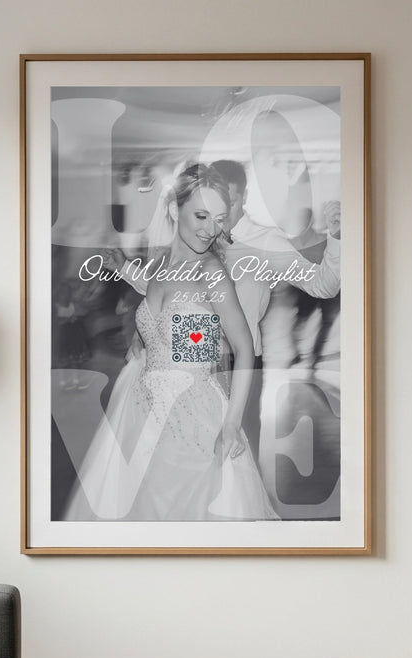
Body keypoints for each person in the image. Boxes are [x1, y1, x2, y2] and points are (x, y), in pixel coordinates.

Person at [64, 163, 277, 521]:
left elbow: (243, 348)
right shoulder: (164, 262)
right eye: (201, 215)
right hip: (142, 412)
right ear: (175, 209)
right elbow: (165, 301)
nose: (211, 229)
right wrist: (139, 324)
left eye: (219, 219)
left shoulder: (213, 274)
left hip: (194, 418)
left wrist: (231, 425)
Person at [209, 158, 342, 455]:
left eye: (230, 201)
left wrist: (336, 238)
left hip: (239, 364)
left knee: (241, 451)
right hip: (193, 359)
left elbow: (323, 285)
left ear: (243, 198)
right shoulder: (197, 237)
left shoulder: (265, 242)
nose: (223, 212)